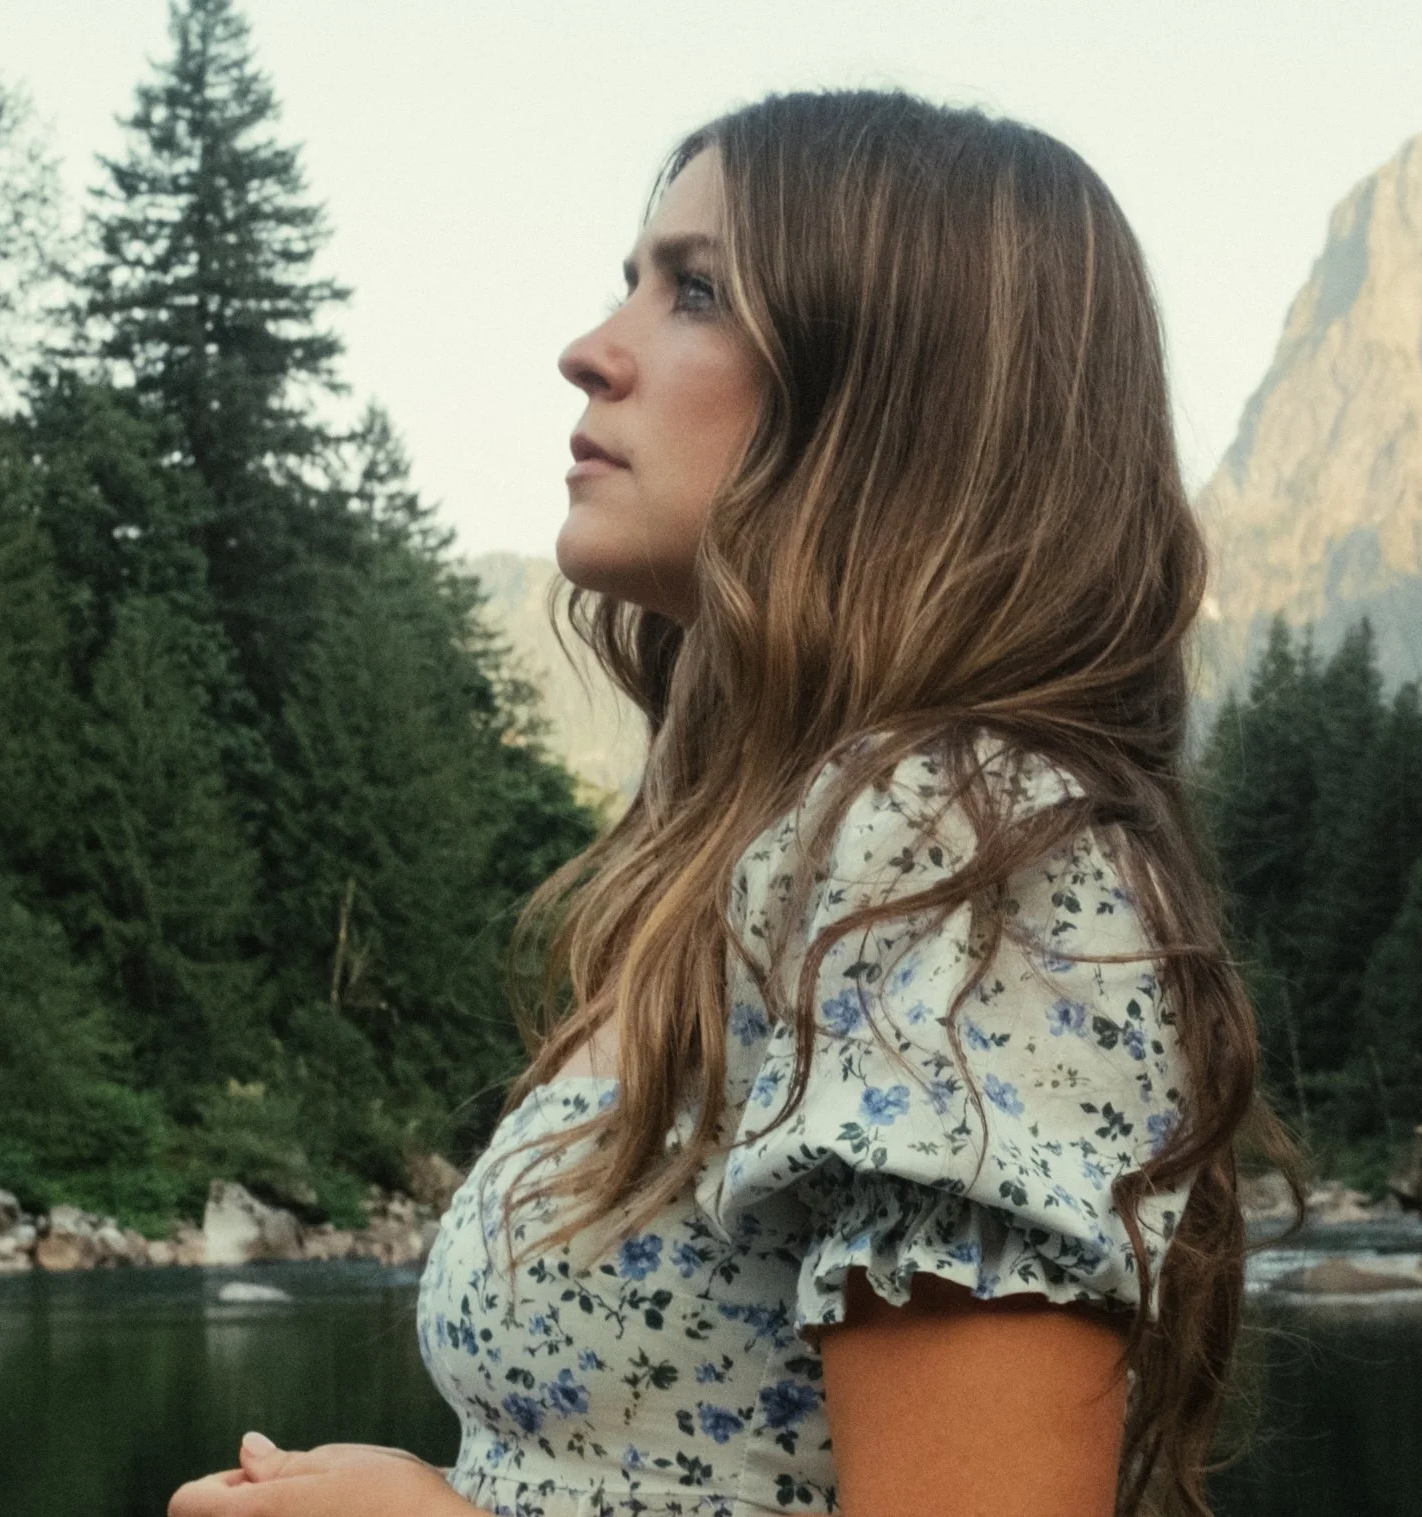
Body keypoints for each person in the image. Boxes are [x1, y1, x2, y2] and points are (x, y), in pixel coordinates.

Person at [169, 88, 1300, 1517]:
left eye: (695, 291)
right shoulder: (773, 855)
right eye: (631, 281)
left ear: (896, 403)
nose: (591, 350)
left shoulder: (963, 849)